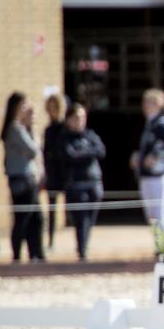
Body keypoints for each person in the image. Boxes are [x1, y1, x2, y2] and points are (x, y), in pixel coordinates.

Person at [0, 92, 46, 262]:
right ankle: (18, 255)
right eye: (24, 106)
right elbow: (34, 149)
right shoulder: (15, 127)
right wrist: (34, 136)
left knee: (36, 218)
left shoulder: (20, 128)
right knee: (23, 219)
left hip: (28, 178)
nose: (26, 110)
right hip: (22, 179)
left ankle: (36, 253)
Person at [61, 104, 106, 260]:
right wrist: (87, 153)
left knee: (90, 218)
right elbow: (70, 155)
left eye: (82, 117)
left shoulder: (90, 134)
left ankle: (83, 247)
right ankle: (82, 250)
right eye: (76, 117)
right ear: (68, 119)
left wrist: (83, 153)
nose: (80, 121)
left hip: (94, 182)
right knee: (80, 219)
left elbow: (101, 151)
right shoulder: (64, 137)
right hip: (76, 184)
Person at [131, 89, 164, 235]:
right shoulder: (150, 123)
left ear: (157, 104)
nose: (144, 105)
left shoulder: (162, 123)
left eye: (148, 102)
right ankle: (160, 246)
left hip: (158, 175)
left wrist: (155, 156)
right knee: (151, 216)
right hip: (147, 175)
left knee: (160, 215)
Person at [41, 91, 69, 251]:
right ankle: (50, 241)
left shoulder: (65, 129)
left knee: (72, 208)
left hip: (65, 173)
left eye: (55, 107)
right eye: (50, 107)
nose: (52, 111)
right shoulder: (48, 129)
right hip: (52, 173)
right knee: (51, 209)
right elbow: (45, 153)